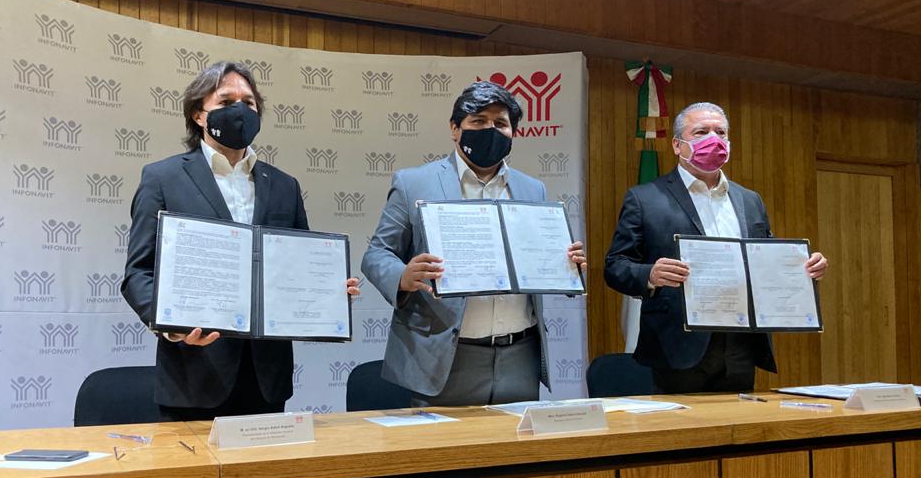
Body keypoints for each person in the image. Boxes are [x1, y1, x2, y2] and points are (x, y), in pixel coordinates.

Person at [122, 61, 359, 419]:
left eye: (248, 103)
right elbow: (138, 274)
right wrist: (173, 329)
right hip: (193, 375)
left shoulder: (285, 186)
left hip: (267, 380)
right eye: (226, 101)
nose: (240, 110)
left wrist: (328, 292)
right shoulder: (162, 178)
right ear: (198, 115)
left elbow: (297, 267)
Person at [361, 81, 586, 406]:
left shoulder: (532, 189)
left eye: (500, 123)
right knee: (444, 441)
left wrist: (566, 265)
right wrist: (402, 276)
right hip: (445, 356)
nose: (490, 130)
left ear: (513, 132)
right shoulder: (414, 182)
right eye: (478, 121)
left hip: (520, 355)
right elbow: (377, 254)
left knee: (515, 440)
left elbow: (538, 256)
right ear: (455, 129)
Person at [603, 101, 828, 394]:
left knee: (738, 421)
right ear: (677, 145)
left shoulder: (750, 200)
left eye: (720, 132)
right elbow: (615, 266)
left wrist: (802, 266)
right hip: (677, 346)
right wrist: (650, 274)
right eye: (701, 132)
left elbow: (764, 257)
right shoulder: (645, 198)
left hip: (741, 343)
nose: (713, 139)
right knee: (683, 424)